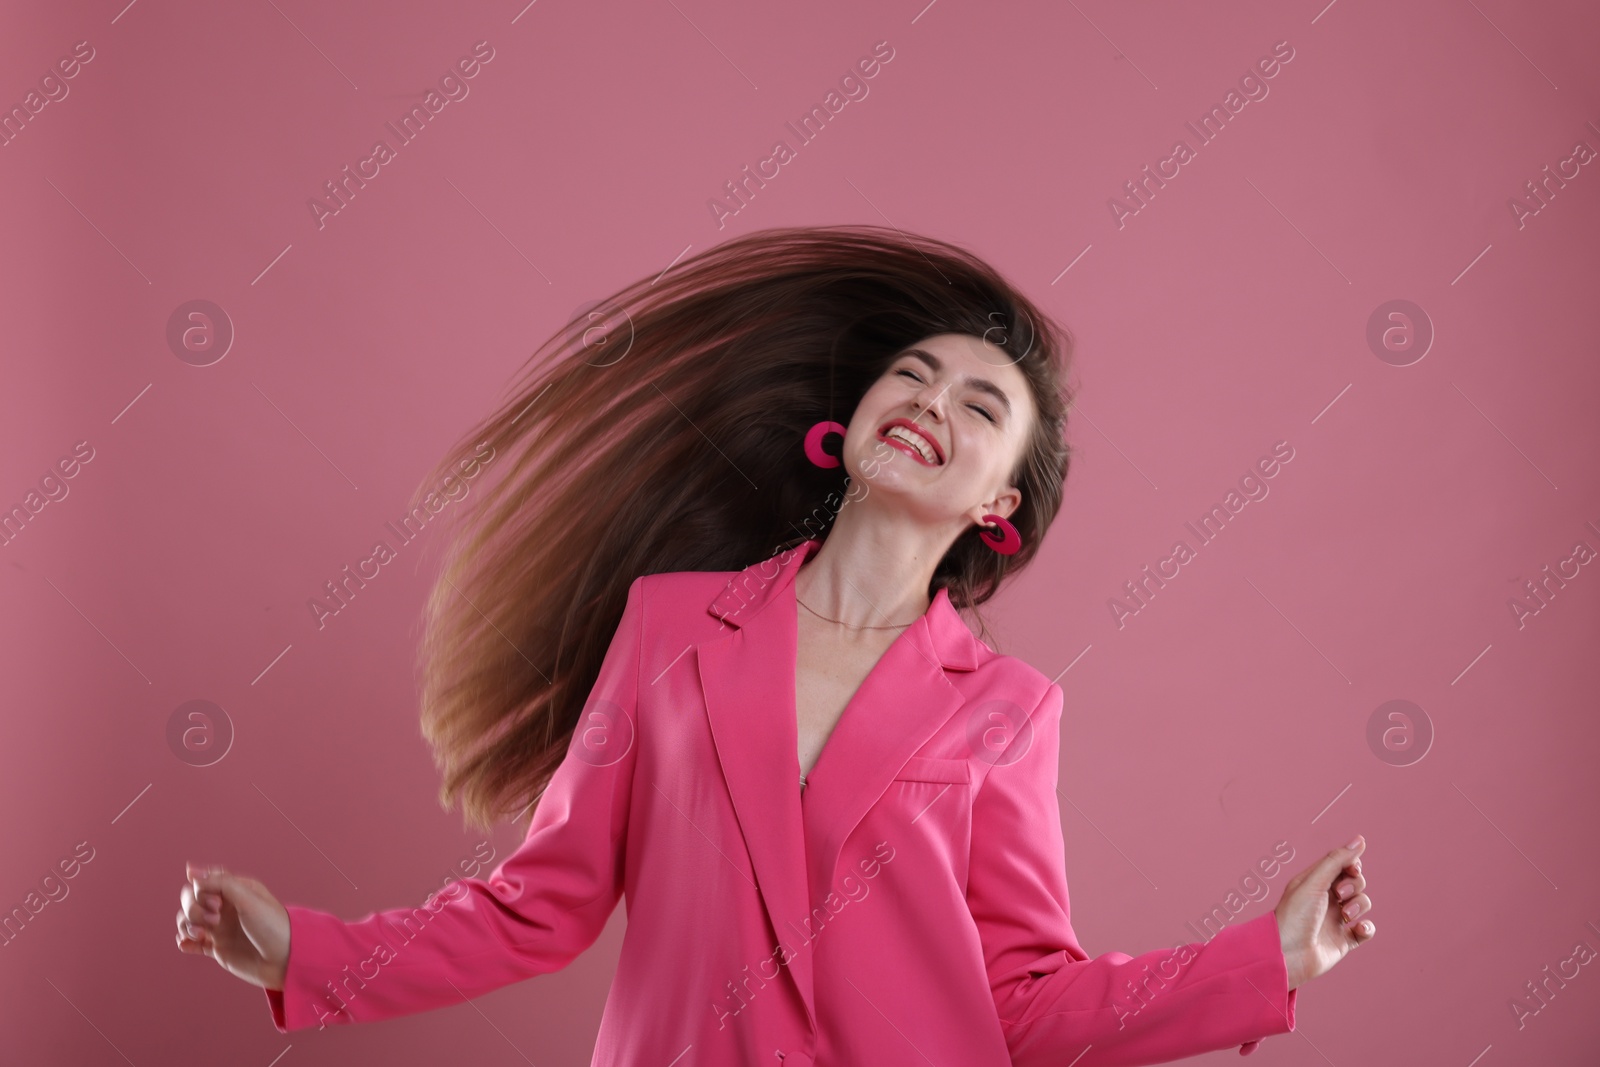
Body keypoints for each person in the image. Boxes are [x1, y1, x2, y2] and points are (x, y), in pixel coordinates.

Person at [175, 225, 1375, 1065]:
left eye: (979, 406)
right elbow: (538, 905)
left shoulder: (1008, 706)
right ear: (840, 428)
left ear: (996, 503)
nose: (930, 402)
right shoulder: (667, 627)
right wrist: (306, 951)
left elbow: (1026, 1003)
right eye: (913, 375)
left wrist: (1270, 957)